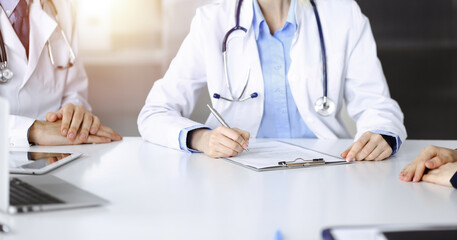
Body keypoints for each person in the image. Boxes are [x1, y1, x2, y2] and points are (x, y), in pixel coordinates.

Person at [138, 0, 407, 159]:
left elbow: (377, 104)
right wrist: (201, 139)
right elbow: (155, 113)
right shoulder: (211, 21)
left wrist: (381, 134)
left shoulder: (342, 14)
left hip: (328, 167)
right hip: (237, 171)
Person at [0, 0, 121, 147]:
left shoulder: (61, 6)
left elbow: (74, 92)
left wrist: (72, 118)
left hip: (55, 154)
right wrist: (34, 130)